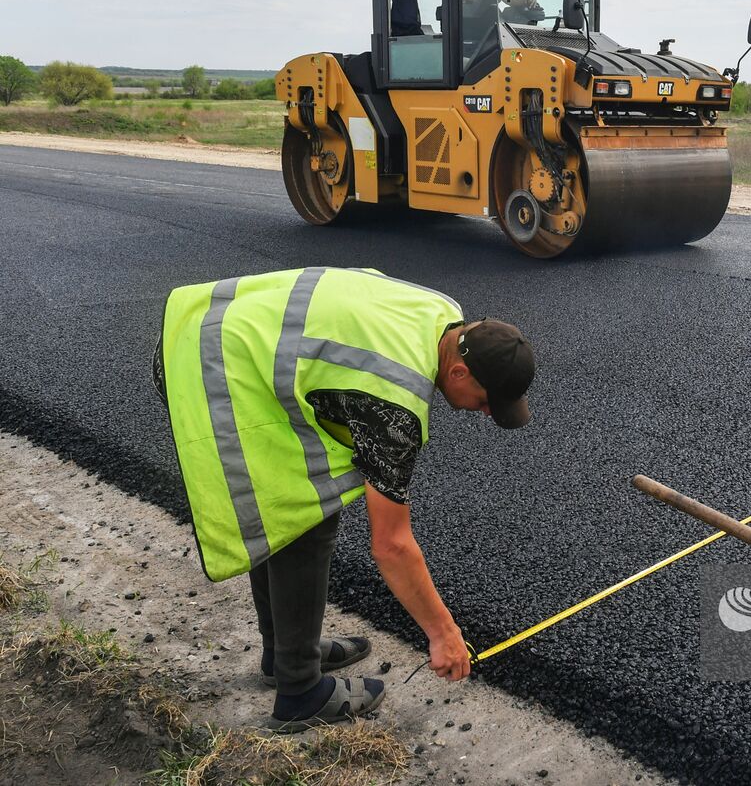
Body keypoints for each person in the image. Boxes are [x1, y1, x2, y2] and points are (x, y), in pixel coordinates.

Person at [153, 267, 535, 731]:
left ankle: (287, 653)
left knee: (307, 506)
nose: (487, 412)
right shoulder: (396, 403)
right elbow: (391, 545)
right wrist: (444, 634)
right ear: (457, 370)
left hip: (221, 331)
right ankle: (298, 692)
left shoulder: (443, 312)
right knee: (299, 516)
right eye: (485, 400)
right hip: (212, 368)